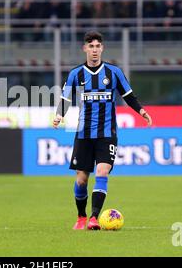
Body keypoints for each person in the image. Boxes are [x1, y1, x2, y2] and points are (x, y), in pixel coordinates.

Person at [52, 31, 152, 230]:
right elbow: (66, 98)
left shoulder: (113, 72)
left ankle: (94, 218)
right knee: (81, 179)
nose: (95, 50)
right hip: (84, 134)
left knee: (102, 172)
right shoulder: (76, 74)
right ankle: (81, 216)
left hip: (107, 134)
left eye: (98, 46)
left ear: (102, 48)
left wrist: (141, 111)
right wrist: (59, 115)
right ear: (85, 49)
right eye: (91, 46)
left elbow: (128, 95)